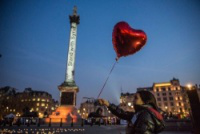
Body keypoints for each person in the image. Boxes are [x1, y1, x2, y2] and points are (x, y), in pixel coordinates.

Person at [98, 90, 165, 134]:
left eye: (136, 98)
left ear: (145, 101)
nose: (133, 100)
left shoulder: (146, 115)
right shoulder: (140, 113)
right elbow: (123, 113)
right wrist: (108, 104)